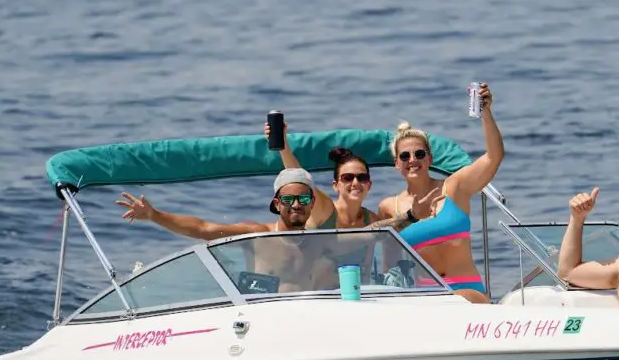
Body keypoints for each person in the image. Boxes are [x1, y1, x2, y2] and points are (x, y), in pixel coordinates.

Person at [116, 168, 432, 291]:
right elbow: (204, 228)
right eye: (289, 199)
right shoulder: (257, 235)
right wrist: (154, 215)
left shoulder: (322, 242)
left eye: (303, 199)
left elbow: (373, 232)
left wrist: (410, 216)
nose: (296, 204)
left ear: (312, 205)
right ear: (276, 203)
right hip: (265, 323)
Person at [377, 82, 506, 304]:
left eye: (419, 154)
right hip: (424, 297)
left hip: (467, 291)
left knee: (454, 302)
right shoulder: (389, 207)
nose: (413, 160)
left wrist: (486, 113)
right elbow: (391, 267)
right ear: (397, 163)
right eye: (405, 157)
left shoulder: (454, 187)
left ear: (430, 159)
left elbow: (494, 157)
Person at [265, 121, 380, 230]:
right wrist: (283, 144)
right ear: (335, 185)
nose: (355, 183)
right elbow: (299, 176)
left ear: (369, 185)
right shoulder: (325, 209)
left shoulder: (372, 220)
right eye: (347, 178)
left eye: (362, 178)